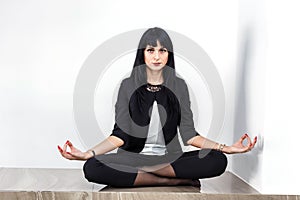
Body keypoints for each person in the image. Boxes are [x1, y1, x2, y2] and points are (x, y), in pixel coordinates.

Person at [58, 27, 257, 188]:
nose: (156, 56)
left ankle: (149, 174)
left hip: (169, 160)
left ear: (168, 54)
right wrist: (87, 154)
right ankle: (169, 180)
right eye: (150, 50)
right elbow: (120, 135)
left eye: (162, 50)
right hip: (132, 158)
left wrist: (227, 148)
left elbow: (189, 135)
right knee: (92, 167)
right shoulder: (128, 86)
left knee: (217, 160)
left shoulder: (179, 86)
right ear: (142, 54)